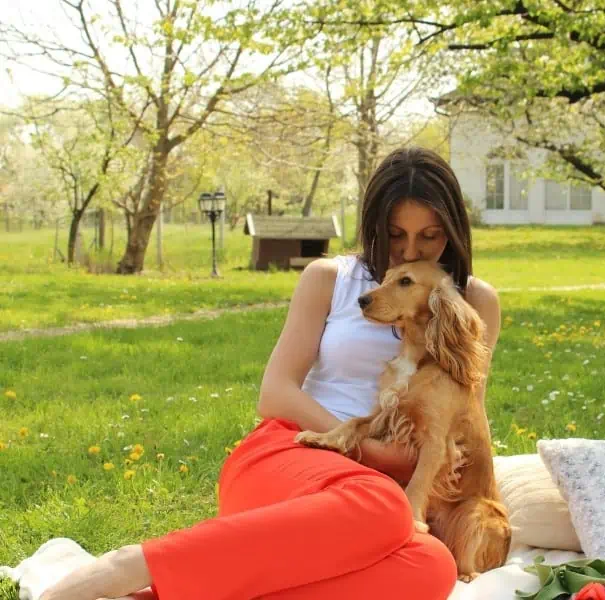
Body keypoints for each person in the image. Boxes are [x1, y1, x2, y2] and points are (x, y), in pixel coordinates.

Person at [39, 146, 502, 600]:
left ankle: (173, 593)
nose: (409, 250)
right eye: (395, 234)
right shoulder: (331, 279)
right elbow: (275, 393)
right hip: (296, 450)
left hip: (369, 502)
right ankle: (132, 564)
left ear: (454, 232)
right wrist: (368, 450)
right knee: (384, 509)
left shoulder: (471, 303)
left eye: (430, 235)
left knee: (432, 566)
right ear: (373, 227)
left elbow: (466, 418)